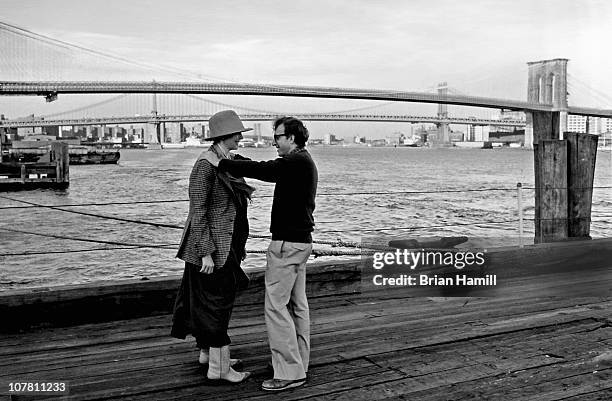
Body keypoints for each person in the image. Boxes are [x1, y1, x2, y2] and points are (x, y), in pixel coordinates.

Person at [203, 116, 318, 392]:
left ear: (291, 138)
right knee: (296, 305)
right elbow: (265, 167)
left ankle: (290, 372)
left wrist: (224, 162)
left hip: (286, 246)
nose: (274, 142)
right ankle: (298, 362)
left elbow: (264, 170)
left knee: (276, 308)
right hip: (300, 243)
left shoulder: (295, 162)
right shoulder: (304, 160)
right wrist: (238, 158)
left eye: (278, 137)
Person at [171, 110, 254, 384]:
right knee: (216, 305)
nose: (241, 137)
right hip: (211, 250)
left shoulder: (223, 161)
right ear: (224, 136)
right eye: (237, 133)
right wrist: (206, 251)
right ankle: (219, 369)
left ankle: (209, 354)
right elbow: (198, 211)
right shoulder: (204, 166)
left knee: (213, 303)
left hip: (225, 245)